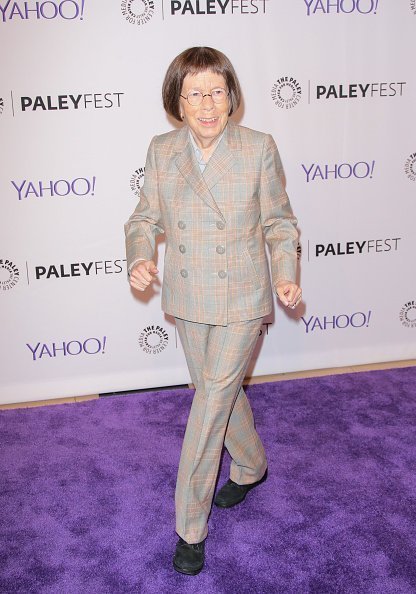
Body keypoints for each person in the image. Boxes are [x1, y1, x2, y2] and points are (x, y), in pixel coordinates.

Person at [125, 46, 301, 576]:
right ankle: (251, 465)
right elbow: (142, 219)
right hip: (188, 297)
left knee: (206, 411)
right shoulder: (162, 150)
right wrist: (138, 257)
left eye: (217, 92)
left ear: (232, 97)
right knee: (216, 394)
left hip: (243, 296)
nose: (207, 104)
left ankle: (190, 526)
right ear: (176, 102)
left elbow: (280, 223)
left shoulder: (258, 148)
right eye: (194, 93)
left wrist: (287, 273)